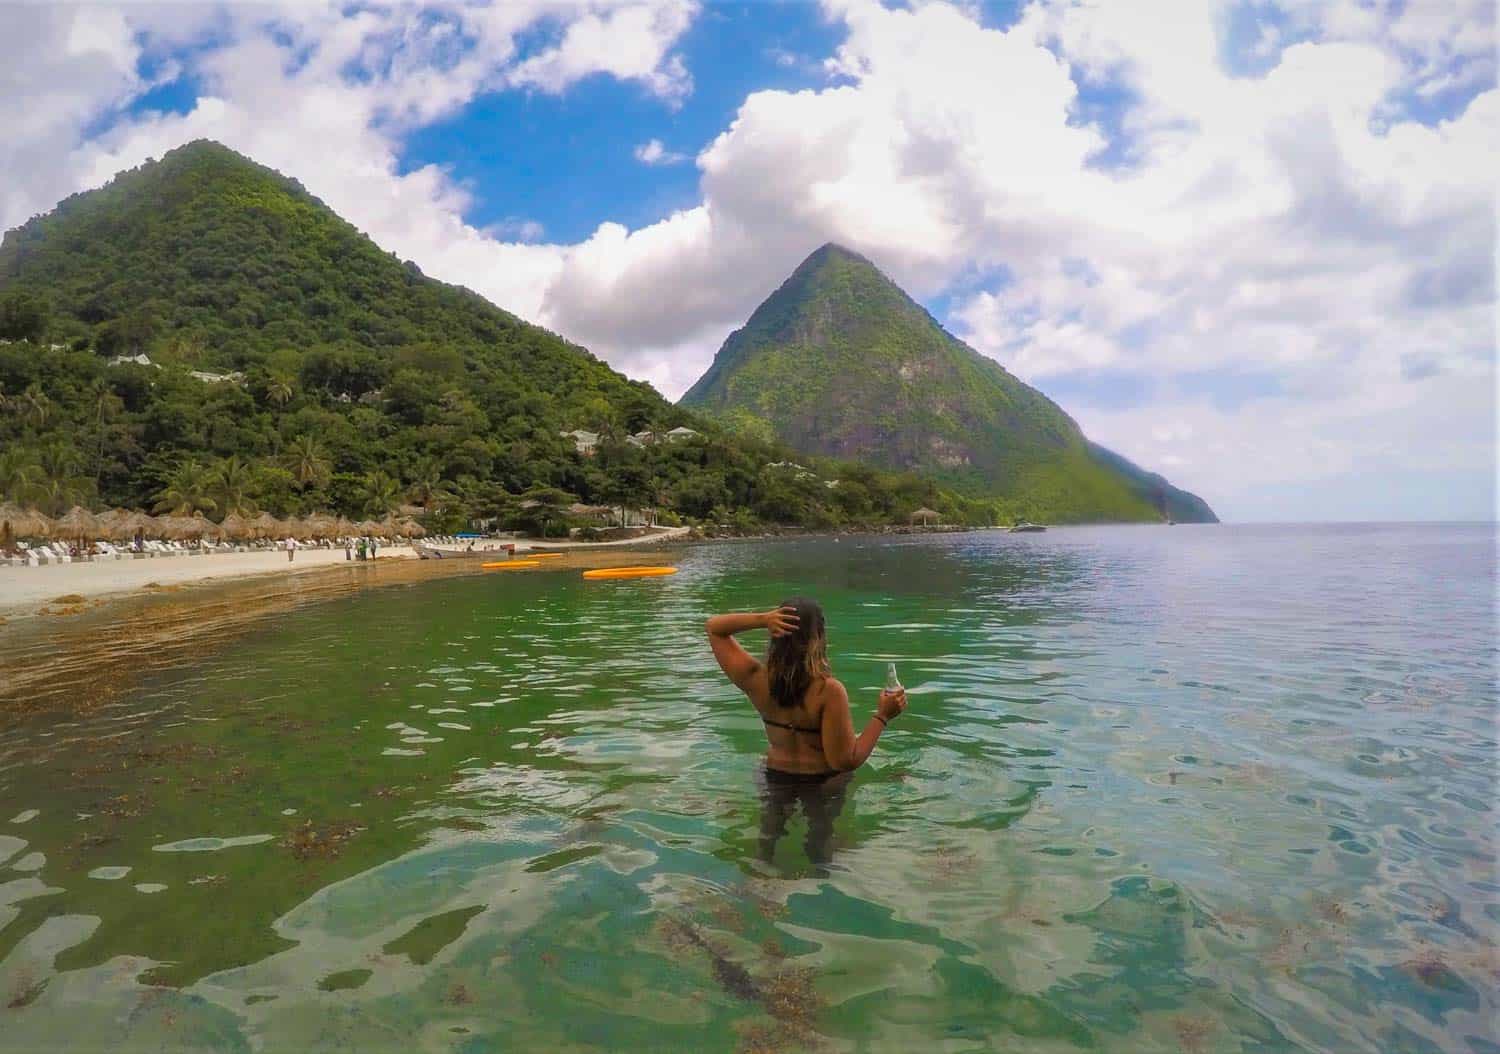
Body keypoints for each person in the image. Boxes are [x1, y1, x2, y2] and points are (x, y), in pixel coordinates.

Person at [706, 598, 907, 867]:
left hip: (776, 777)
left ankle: (759, 883)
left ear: (775, 636)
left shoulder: (756, 679)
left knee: (767, 839)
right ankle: (818, 890)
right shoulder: (828, 691)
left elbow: (714, 628)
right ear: (818, 639)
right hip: (822, 783)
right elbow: (844, 760)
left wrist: (763, 618)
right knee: (820, 843)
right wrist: (883, 715)